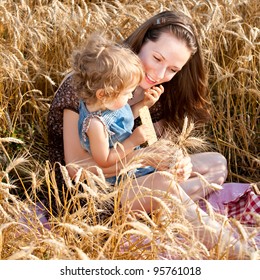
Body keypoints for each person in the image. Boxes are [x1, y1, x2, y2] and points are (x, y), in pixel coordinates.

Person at [47, 10, 255, 258]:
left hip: (130, 178)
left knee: (216, 164)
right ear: (141, 41)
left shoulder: (151, 92)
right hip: (88, 195)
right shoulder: (89, 85)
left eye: (172, 69)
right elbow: (76, 168)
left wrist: (177, 160)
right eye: (157, 58)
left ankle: (163, 208)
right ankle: (238, 252)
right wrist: (145, 159)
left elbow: (154, 144)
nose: (159, 74)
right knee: (164, 185)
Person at [74, 34, 164, 184]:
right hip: (120, 177)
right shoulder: (95, 124)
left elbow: (125, 117)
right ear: (103, 94)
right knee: (166, 180)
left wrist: (144, 104)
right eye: (127, 93)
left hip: (131, 164)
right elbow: (105, 160)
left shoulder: (107, 103)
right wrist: (133, 141)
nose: (130, 97)